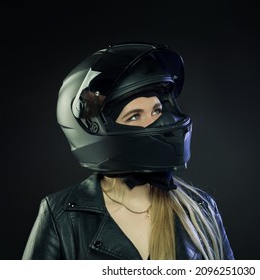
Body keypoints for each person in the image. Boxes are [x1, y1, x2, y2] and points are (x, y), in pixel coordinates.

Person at [22, 42, 234, 260]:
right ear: (97, 130)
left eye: (157, 110)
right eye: (135, 116)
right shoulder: (61, 214)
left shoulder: (201, 208)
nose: (156, 122)